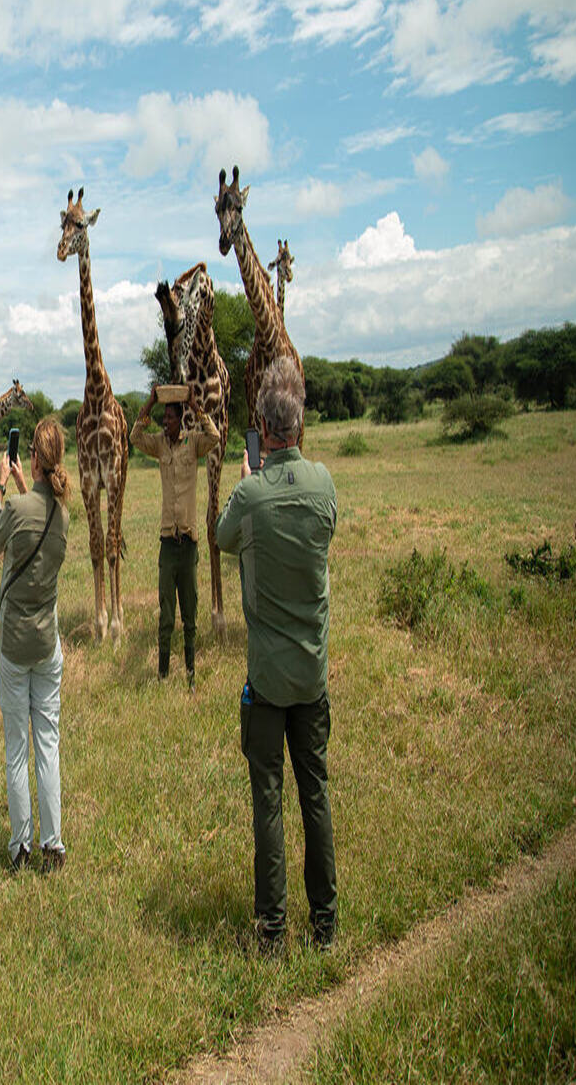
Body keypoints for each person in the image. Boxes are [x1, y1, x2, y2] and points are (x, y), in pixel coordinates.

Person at [215, 357, 338, 952]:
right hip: (312, 675)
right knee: (314, 793)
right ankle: (326, 924)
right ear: (300, 425)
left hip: (265, 680)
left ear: (263, 429)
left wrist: (249, 478)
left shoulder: (251, 494)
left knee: (269, 800)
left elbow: (221, 537)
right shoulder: (323, 484)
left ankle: (271, 930)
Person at [0, 418, 70, 872]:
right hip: (47, 642)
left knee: (18, 746)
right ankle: (53, 844)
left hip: (14, 643)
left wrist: (1, 486)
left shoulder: (14, 508)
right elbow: (41, 510)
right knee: (48, 742)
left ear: (32, 458)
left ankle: (20, 846)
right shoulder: (63, 513)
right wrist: (25, 482)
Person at [130, 385, 220, 688]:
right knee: (166, 614)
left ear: (180, 420)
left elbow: (215, 437)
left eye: (169, 418)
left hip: (189, 544)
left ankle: (192, 672)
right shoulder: (158, 445)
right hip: (168, 544)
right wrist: (150, 404)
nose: (164, 422)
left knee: (190, 614)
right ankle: (163, 673)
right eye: (163, 418)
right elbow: (134, 438)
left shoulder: (193, 443)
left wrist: (197, 407)